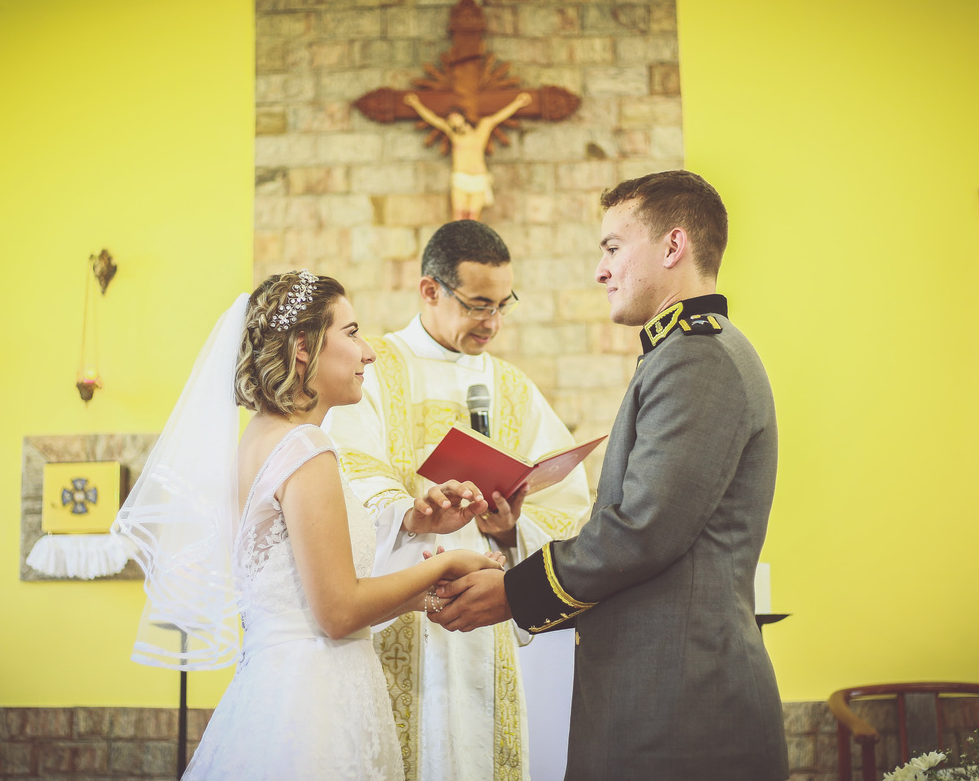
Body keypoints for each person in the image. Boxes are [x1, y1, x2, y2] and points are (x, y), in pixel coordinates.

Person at [428, 172, 790, 780]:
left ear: (673, 247)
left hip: (680, 705)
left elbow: (642, 531)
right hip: (659, 693)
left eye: (613, 247)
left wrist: (513, 594)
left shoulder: (698, 358)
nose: (600, 269)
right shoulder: (683, 353)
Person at [113, 271, 504, 780]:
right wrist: (447, 563)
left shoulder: (260, 440)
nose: (369, 352)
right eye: (352, 332)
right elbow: (337, 612)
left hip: (277, 688)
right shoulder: (306, 448)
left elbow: (303, 596)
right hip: (317, 698)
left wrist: (420, 571)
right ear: (304, 347)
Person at [325, 220, 593, 781]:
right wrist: (411, 512)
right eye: (477, 305)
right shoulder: (371, 370)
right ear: (431, 291)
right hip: (401, 616)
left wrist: (508, 528)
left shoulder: (514, 388)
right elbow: (347, 471)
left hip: (483, 622)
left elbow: (568, 506)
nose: (492, 322)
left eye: (502, 304)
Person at [402, 91, 532, 221]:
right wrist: (416, 104)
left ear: (462, 116)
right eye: (450, 119)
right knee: (458, 215)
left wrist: (517, 103)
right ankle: (455, 241)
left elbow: (499, 117)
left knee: (473, 216)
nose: (453, 121)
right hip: (460, 177)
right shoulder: (454, 134)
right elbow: (432, 119)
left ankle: (472, 241)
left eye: (455, 117)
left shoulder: (482, 128)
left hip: (479, 177)